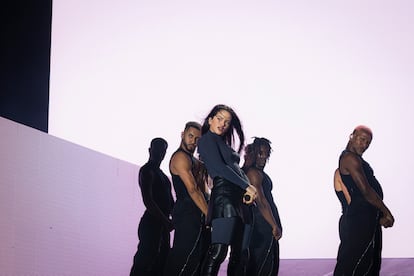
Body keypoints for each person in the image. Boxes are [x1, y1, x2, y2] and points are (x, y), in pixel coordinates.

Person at [197, 104, 258, 276]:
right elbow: (219, 168)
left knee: (241, 255)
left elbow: (232, 169)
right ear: (210, 120)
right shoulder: (206, 140)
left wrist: (247, 190)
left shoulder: (222, 143)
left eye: (227, 121)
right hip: (225, 198)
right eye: (219, 118)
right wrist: (247, 185)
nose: (223, 123)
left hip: (241, 200)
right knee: (218, 251)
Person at [333, 125, 395, 276]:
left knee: (369, 265)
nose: (364, 145)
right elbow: (366, 191)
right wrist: (386, 212)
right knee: (355, 265)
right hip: (360, 222)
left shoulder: (357, 161)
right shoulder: (349, 158)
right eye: (362, 140)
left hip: (367, 220)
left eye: (368, 142)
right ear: (351, 136)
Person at [163, 121, 210, 276]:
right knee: (182, 260)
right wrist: (210, 216)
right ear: (183, 135)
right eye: (190, 136)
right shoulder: (180, 158)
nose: (193, 141)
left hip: (195, 214)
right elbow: (193, 189)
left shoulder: (195, 161)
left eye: (197, 139)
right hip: (186, 213)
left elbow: (205, 187)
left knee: (194, 261)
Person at [130, 138, 174, 276]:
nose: (161, 153)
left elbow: (171, 203)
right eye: (158, 149)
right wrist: (165, 220)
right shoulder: (147, 170)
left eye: (163, 150)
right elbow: (148, 200)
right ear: (150, 150)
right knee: (144, 262)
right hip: (152, 223)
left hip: (163, 226)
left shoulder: (164, 177)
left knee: (161, 263)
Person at [243, 138, 282, 276]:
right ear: (253, 153)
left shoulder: (257, 172)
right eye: (260, 153)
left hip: (263, 224)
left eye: (266, 154)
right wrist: (274, 225)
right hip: (261, 225)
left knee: (265, 264)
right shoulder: (253, 173)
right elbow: (261, 202)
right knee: (263, 265)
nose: (264, 157)